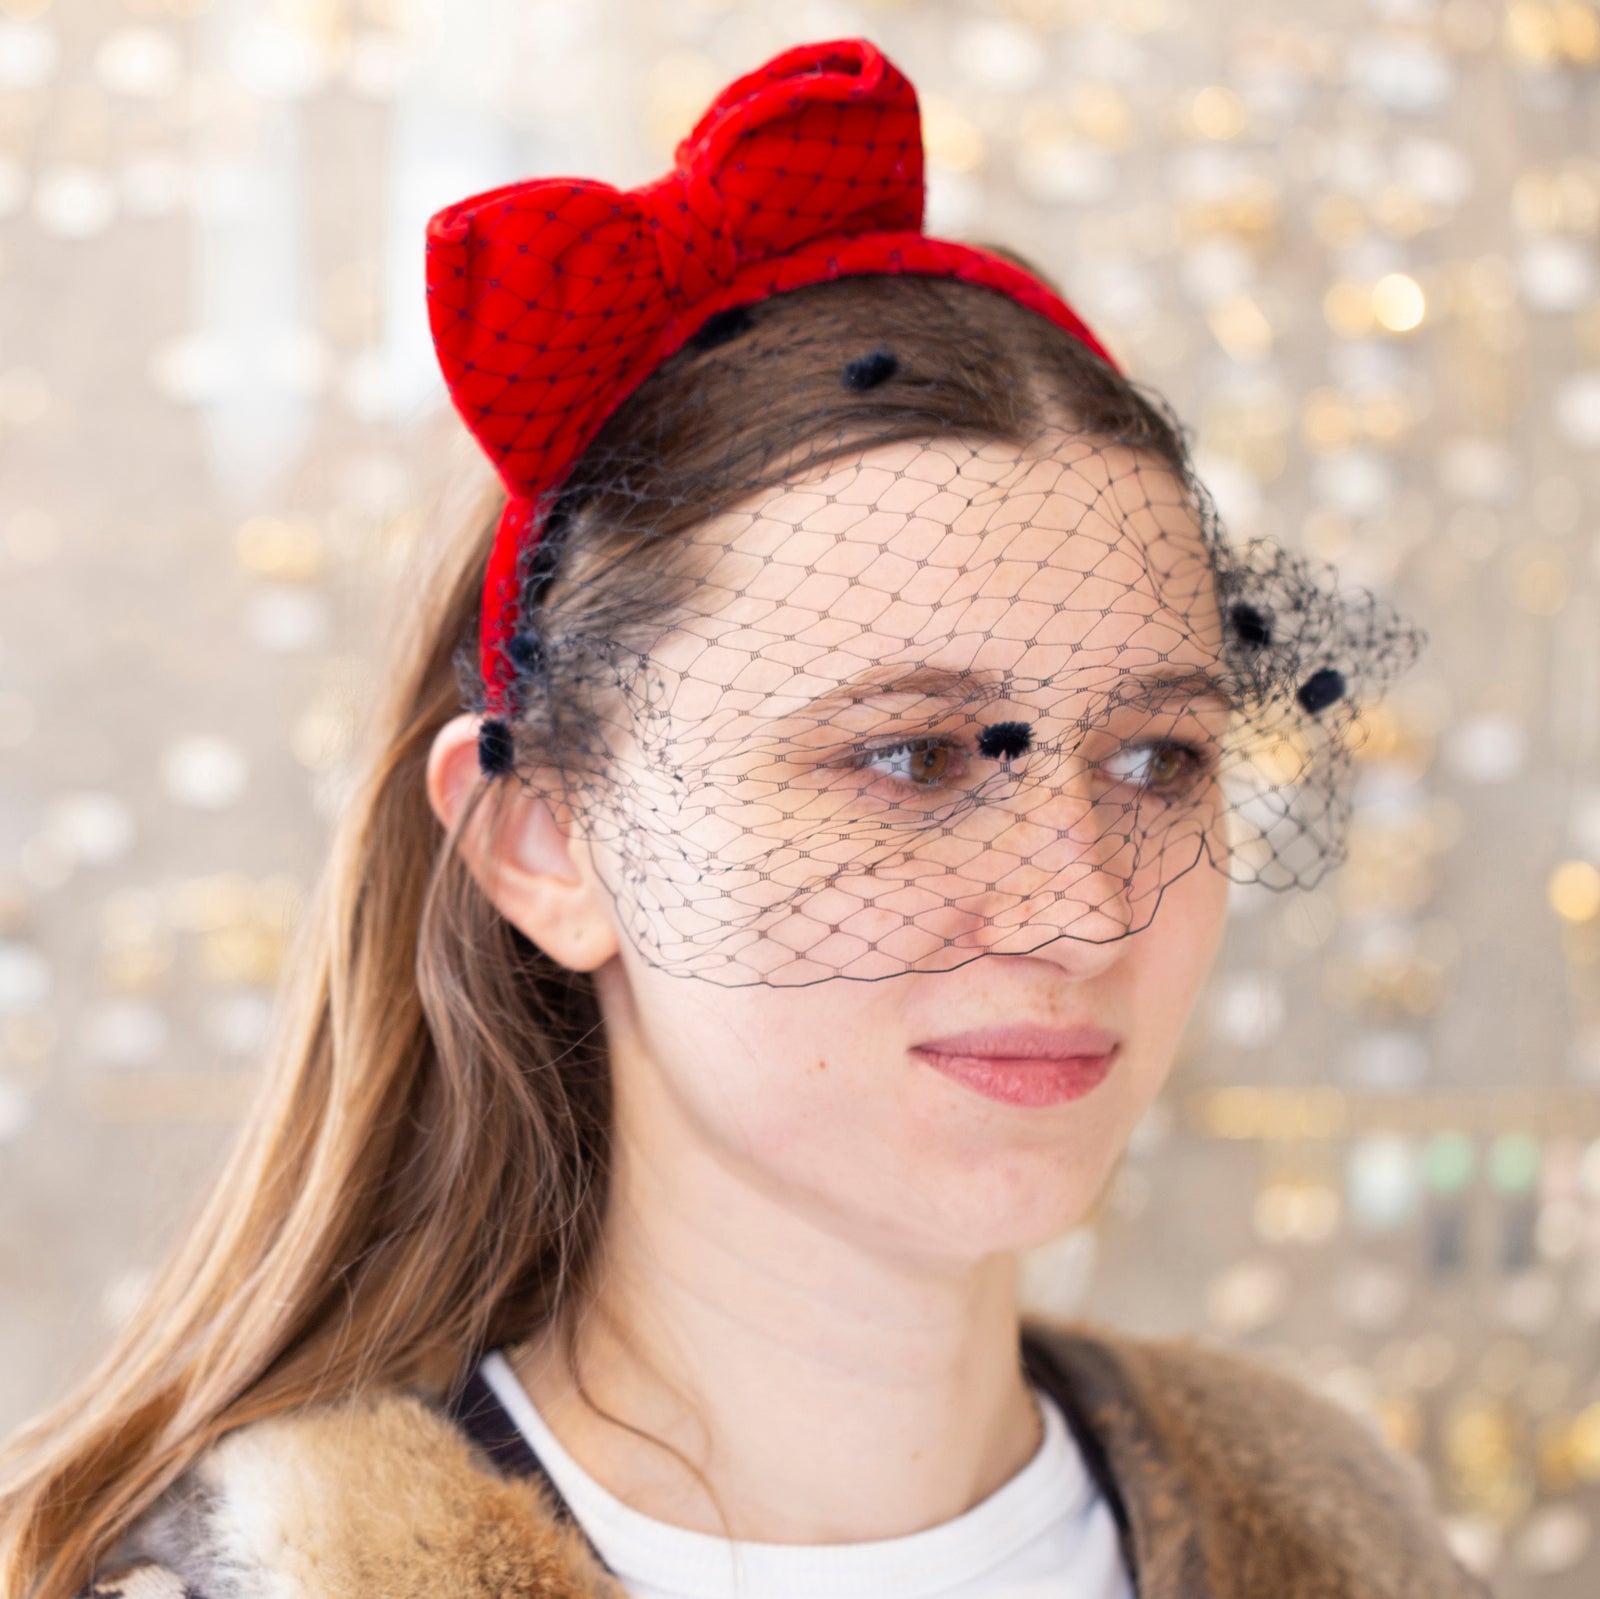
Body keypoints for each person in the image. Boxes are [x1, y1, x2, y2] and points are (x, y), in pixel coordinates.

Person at [1, 37, 1486, 1599]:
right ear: (545, 844)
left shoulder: (1355, 1557)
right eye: (914, 762)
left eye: (1155, 760)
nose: (1084, 909)